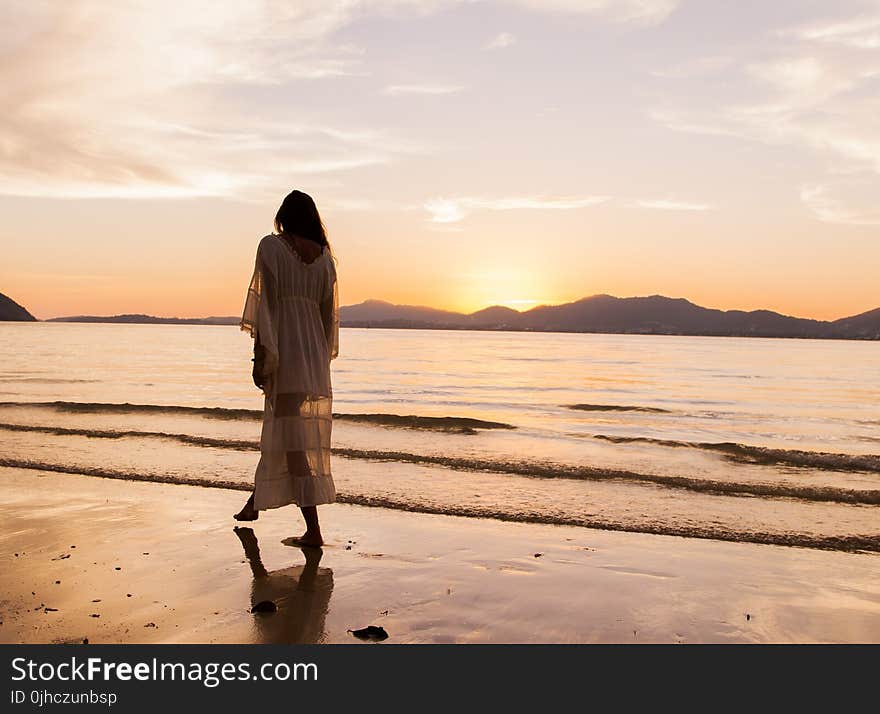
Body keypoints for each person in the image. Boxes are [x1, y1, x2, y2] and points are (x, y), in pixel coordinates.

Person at [235, 190, 339, 548]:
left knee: (292, 443)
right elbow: (328, 322)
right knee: (285, 436)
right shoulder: (327, 261)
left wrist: (261, 355)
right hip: (312, 358)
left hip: (287, 354)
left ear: (284, 216)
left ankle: (313, 529)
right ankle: (254, 503)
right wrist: (319, 360)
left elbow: (265, 308)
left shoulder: (271, 247)